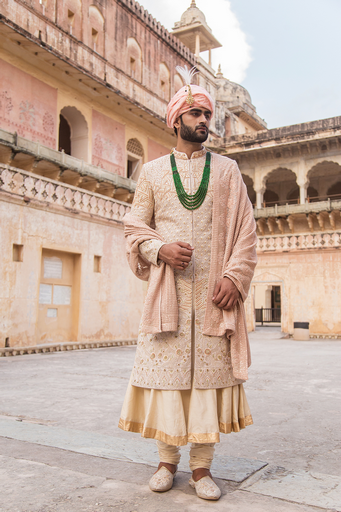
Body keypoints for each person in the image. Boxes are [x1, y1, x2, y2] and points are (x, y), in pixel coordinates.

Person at [119, 66, 257, 501]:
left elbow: (247, 232)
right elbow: (134, 227)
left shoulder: (228, 171)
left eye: (207, 114)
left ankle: (201, 469)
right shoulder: (155, 173)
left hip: (214, 297)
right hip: (169, 297)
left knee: (207, 385)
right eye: (195, 113)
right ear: (176, 119)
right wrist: (158, 250)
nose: (203, 121)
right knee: (169, 382)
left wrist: (234, 277)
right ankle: (166, 462)